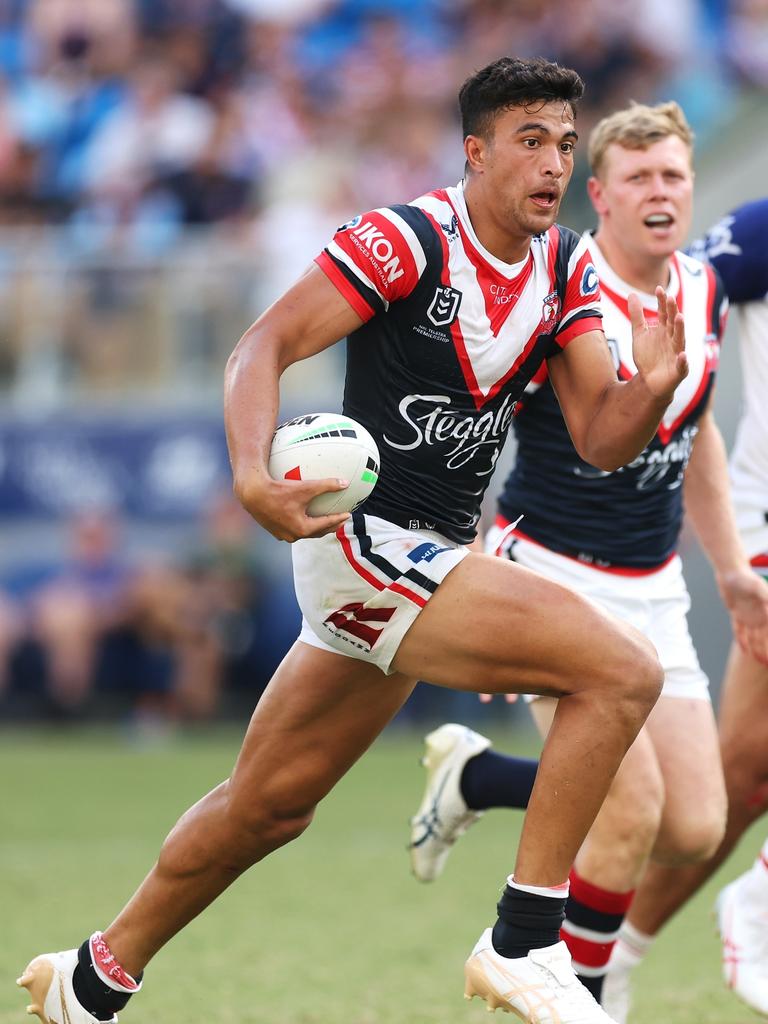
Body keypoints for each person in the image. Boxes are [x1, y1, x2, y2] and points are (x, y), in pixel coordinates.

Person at [17, 57, 689, 1024]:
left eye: (565, 145)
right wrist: (252, 472)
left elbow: (600, 436)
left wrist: (653, 387)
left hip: (431, 558)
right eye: (530, 142)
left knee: (269, 806)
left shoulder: (568, 265)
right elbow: (265, 344)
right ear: (476, 150)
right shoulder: (407, 239)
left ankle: (88, 979)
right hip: (365, 545)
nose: (552, 166)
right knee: (620, 672)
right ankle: (525, 941)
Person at [407, 103, 768, 1006]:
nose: (660, 192)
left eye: (674, 177)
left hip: (653, 585)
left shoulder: (703, 289)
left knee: (694, 823)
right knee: (630, 810)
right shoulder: (565, 287)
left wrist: (728, 568)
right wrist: (476, 569)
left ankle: (479, 776)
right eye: (639, 178)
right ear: (599, 196)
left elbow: (699, 442)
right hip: (554, 572)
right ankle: (579, 999)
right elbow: (480, 417)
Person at [600, 197, 768, 1022]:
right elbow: (672, 295)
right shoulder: (764, 227)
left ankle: (614, 955)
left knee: (735, 782)